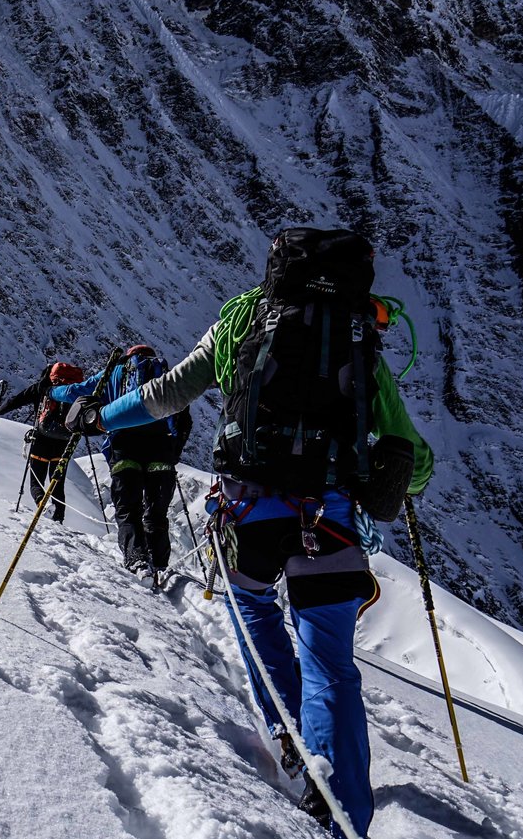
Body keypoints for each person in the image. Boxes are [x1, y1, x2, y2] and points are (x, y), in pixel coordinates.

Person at [63, 229, 433, 838]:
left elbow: (164, 394)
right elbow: (415, 458)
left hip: (248, 513)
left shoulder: (240, 324)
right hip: (332, 521)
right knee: (332, 666)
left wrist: (97, 415)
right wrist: (400, 476)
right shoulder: (360, 341)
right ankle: (345, 818)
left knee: (257, 611)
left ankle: (287, 739)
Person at [48, 345, 187, 580]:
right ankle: (159, 564)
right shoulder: (164, 374)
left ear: (129, 355)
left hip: (124, 446)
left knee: (128, 509)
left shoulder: (114, 372)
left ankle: (137, 559)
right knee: (156, 511)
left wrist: (52, 392)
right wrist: (174, 448)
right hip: (160, 448)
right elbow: (182, 413)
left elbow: (77, 391)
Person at [0, 362, 85, 522]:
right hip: (63, 444)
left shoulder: (40, 388)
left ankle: (43, 503)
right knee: (57, 485)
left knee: (36, 482)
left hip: (40, 441)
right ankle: (59, 520)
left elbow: (16, 400)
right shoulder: (72, 391)